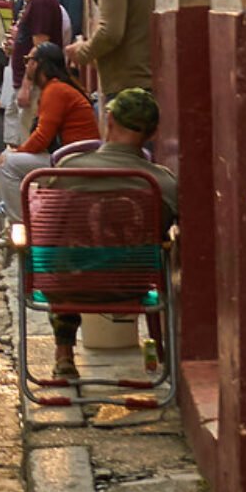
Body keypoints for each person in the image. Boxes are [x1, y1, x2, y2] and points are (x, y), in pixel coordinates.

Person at [43, 88, 178, 380]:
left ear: (110, 120)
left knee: (62, 256)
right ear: (153, 132)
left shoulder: (69, 171)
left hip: (69, 287)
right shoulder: (163, 184)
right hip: (133, 288)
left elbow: (47, 231)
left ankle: (64, 353)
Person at [0, 42, 102, 222]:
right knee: (8, 159)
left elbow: (42, 137)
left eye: (29, 60)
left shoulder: (56, 90)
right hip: (71, 157)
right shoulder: (57, 88)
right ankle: (13, 226)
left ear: (39, 64)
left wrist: (16, 152)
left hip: (74, 161)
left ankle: (21, 226)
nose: (26, 64)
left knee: (7, 165)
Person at [8, 0, 66, 139]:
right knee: (15, 140)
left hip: (34, 86)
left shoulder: (43, 2)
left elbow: (39, 48)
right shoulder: (32, 1)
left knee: (26, 141)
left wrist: (27, 85)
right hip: (22, 82)